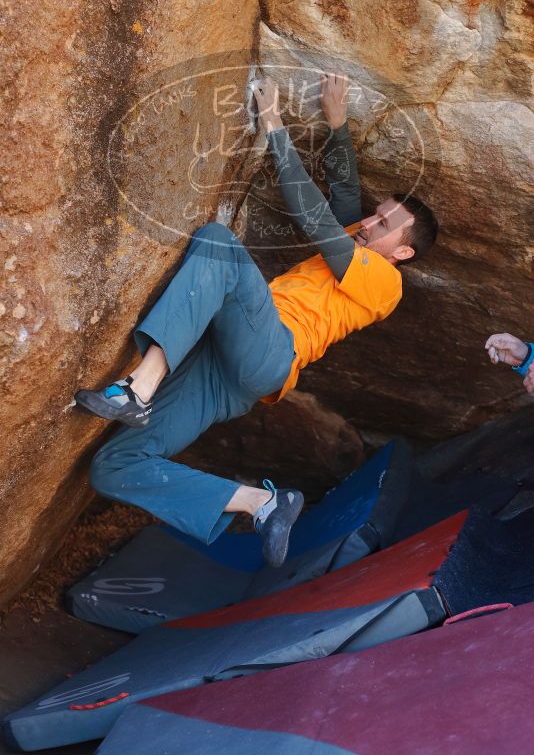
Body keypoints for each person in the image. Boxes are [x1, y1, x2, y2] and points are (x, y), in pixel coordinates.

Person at [75, 73, 439, 567]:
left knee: (219, 244)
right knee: (113, 466)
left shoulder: (385, 284)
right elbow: (345, 190)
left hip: (270, 351)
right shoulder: (359, 243)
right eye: (375, 215)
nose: (369, 224)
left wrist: (273, 125)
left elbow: (316, 218)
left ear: (403, 252)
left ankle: (139, 388)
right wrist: (336, 123)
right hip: (225, 372)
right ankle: (263, 503)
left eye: (383, 226)